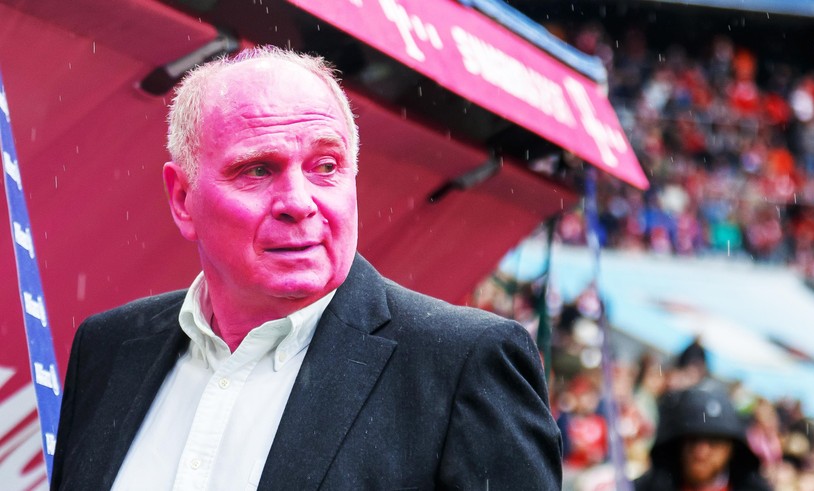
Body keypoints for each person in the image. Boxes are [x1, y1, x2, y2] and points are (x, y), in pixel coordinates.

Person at [50, 46, 562, 490]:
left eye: (325, 166)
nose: (299, 202)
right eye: (257, 169)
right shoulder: (108, 348)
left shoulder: (461, 364)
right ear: (183, 199)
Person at [634, 383, 771, 491]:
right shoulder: (649, 486)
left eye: (714, 441)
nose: (701, 451)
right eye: (693, 439)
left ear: (731, 448)